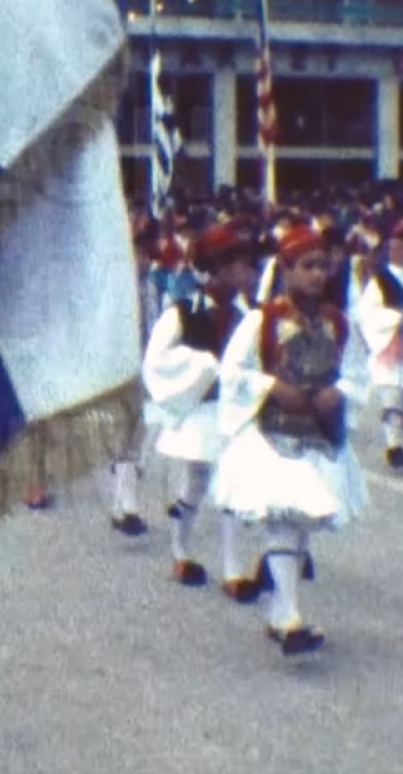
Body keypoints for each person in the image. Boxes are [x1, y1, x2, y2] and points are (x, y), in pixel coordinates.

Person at [210, 226, 368, 655]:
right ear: (286, 269)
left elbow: (358, 373)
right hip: (272, 433)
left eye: (322, 265)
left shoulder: (339, 323)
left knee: (301, 525)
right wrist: (271, 387)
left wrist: (341, 392)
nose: (317, 274)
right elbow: (232, 371)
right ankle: (290, 617)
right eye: (307, 266)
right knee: (284, 516)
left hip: (318, 434)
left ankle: (282, 612)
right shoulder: (262, 321)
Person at [141, 224, 260, 600]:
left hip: (235, 412)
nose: (250, 273)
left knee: (232, 487)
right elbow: (156, 361)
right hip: (203, 410)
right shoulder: (183, 313)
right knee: (194, 482)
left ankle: (233, 567)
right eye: (242, 265)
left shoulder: (251, 316)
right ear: (219, 267)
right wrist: (203, 367)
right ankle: (181, 549)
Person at [356, 221, 403, 469]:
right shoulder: (380, 281)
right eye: (391, 247)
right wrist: (394, 317)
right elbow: (366, 312)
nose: (394, 252)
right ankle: (393, 444)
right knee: (391, 392)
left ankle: (399, 435)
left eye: (399, 248)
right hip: (389, 341)